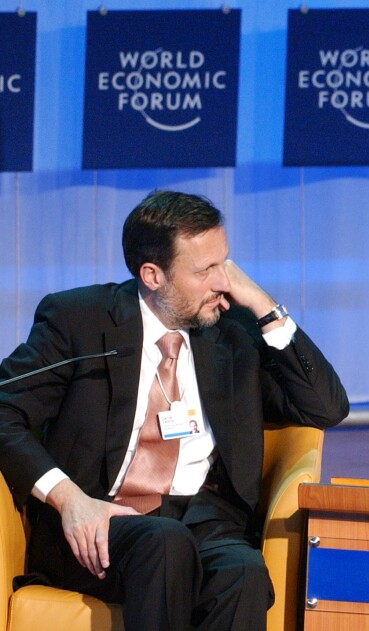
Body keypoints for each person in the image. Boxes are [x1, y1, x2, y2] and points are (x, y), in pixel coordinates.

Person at [0, 191, 349, 631]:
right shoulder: (80, 322)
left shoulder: (232, 332)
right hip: (100, 518)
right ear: (153, 275)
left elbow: (327, 408)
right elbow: (3, 411)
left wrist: (263, 304)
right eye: (204, 270)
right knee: (164, 545)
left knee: (242, 572)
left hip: (203, 520)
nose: (222, 282)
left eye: (225, 264)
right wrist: (69, 499)